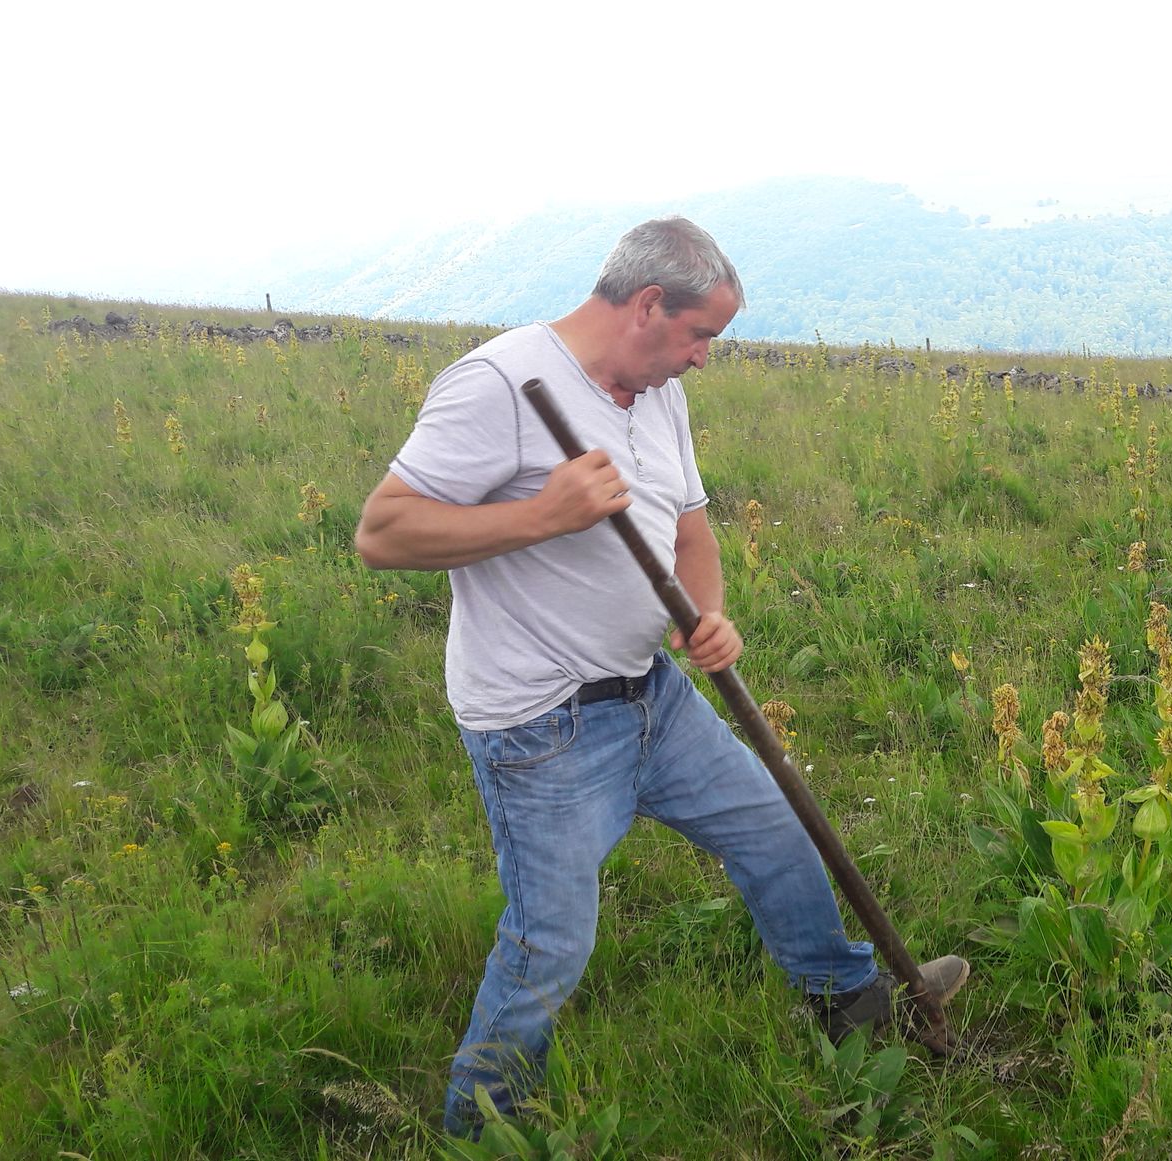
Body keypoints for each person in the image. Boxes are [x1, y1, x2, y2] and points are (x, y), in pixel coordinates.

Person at [354, 217, 967, 1137]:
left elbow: (689, 530)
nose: (705, 358)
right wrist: (544, 516)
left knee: (776, 827)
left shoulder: (655, 391)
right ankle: (483, 1131)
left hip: (653, 694)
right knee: (550, 942)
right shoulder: (497, 386)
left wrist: (708, 613)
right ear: (648, 305)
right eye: (700, 335)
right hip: (541, 725)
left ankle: (852, 1004)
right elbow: (382, 532)